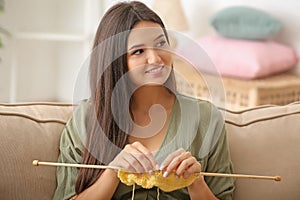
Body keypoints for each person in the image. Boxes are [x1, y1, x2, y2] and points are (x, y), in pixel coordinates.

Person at [53, 1, 235, 200]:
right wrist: (113, 172)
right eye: (138, 51)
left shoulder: (206, 118)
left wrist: (196, 182)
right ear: (115, 62)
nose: (155, 59)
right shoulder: (86, 119)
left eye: (160, 43)